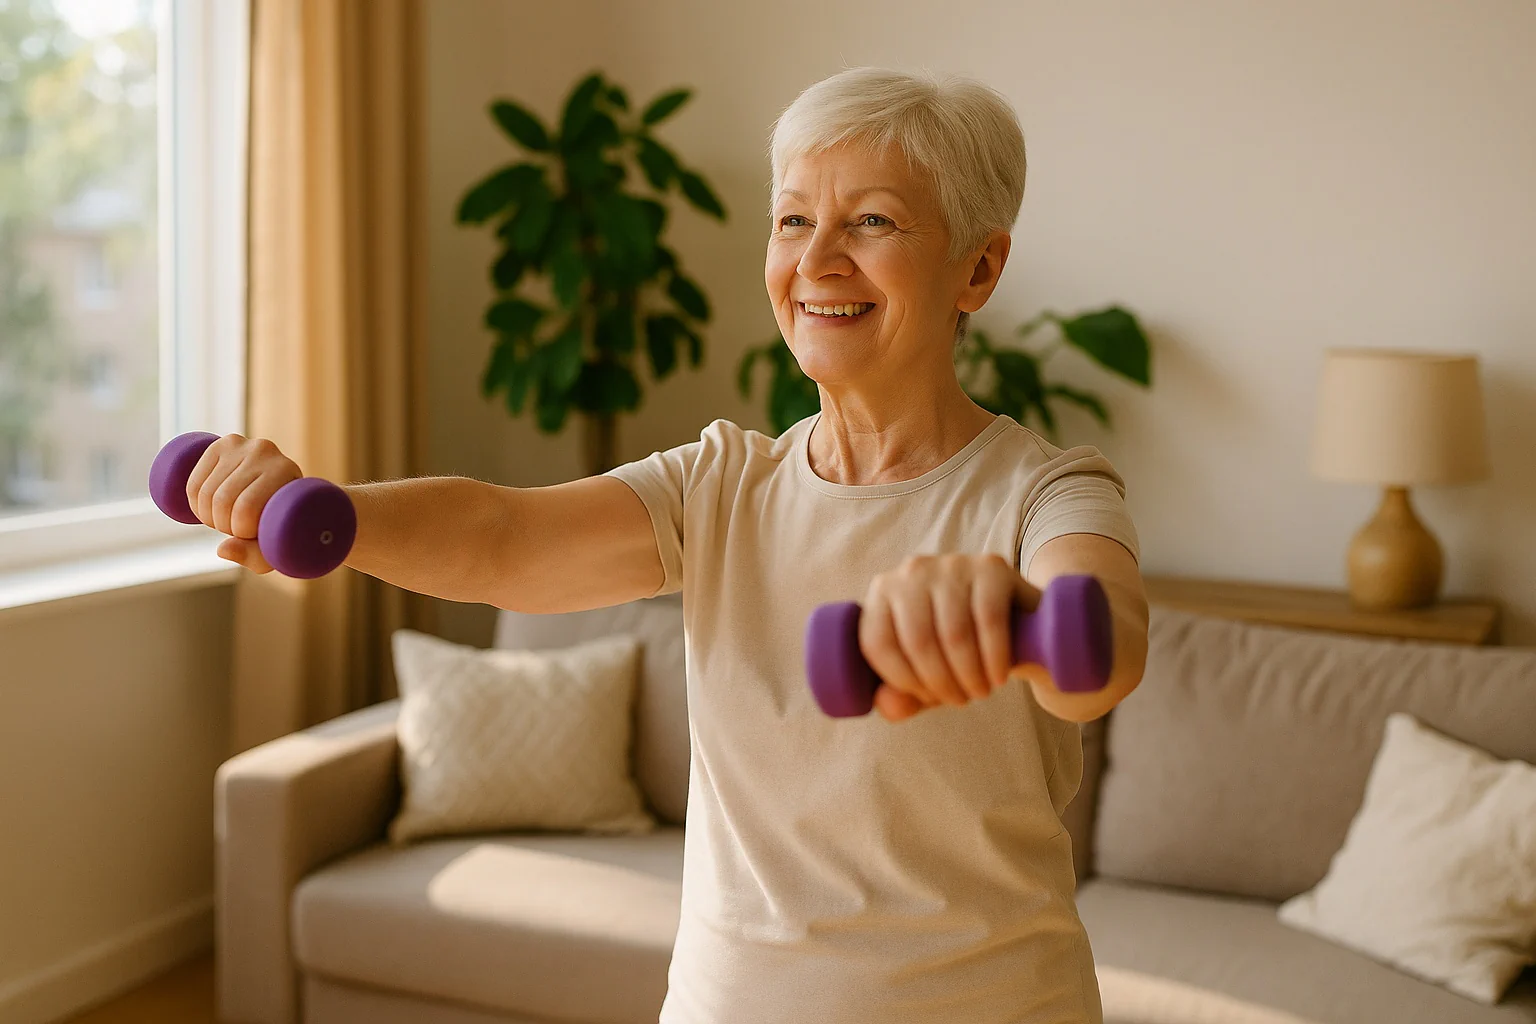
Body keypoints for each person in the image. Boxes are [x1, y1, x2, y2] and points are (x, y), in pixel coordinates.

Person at [193, 66, 1148, 1024]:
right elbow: (503, 538)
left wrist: (1010, 615)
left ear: (977, 269)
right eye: (791, 220)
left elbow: (1099, 648)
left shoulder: (1045, 493)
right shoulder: (722, 483)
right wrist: (323, 514)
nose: (817, 260)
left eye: (872, 222)